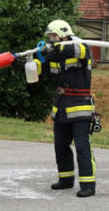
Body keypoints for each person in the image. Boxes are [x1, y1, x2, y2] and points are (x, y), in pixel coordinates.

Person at [31, 19, 97, 197]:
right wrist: (21, 62)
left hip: (80, 107)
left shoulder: (80, 46)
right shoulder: (53, 54)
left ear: (63, 35)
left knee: (82, 146)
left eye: (53, 36)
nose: (51, 39)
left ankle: (88, 184)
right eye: (50, 37)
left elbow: (80, 50)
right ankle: (66, 179)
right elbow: (41, 70)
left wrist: (55, 47)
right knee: (60, 145)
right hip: (61, 107)